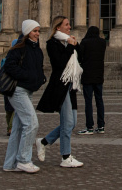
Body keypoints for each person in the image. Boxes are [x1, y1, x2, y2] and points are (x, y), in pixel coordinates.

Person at [37, 16, 84, 168]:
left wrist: (76, 45)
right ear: (58, 27)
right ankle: (66, 156)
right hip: (60, 86)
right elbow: (59, 63)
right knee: (68, 122)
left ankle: (43, 141)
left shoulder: (68, 41)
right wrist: (70, 46)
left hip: (71, 86)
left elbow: (81, 58)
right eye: (66, 24)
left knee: (72, 122)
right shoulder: (51, 44)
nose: (70, 27)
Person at [2, 20, 47, 173]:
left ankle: (10, 164)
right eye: (34, 31)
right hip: (17, 90)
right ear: (27, 32)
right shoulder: (18, 48)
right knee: (32, 123)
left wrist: (40, 79)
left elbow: (38, 68)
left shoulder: (37, 49)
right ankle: (23, 160)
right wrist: (27, 77)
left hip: (28, 91)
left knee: (19, 128)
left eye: (38, 31)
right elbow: (9, 66)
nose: (37, 33)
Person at [77, 25, 107, 135]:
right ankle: (101, 126)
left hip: (88, 76)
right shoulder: (103, 43)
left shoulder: (85, 42)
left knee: (88, 102)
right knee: (99, 101)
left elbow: (80, 57)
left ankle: (89, 127)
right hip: (99, 76)